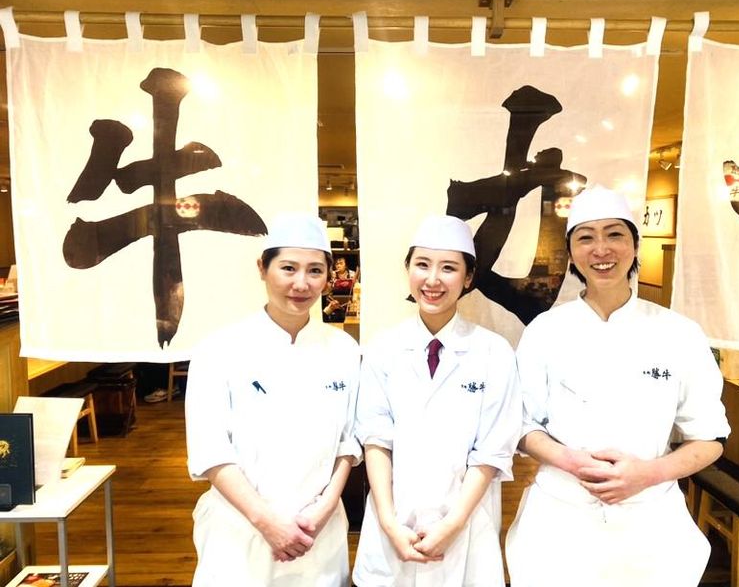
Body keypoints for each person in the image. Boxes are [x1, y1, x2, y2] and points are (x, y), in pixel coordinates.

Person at [505, 186, 731, 587]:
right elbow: (522, 426)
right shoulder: (545, 331)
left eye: (614, 234)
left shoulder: (679, 333)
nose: (601, 249)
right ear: (571, 251)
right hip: (558, 521)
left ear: (634, 244)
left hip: (651, 525)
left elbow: (710, 437)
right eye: (586, 237)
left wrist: (648, 473)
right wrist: (572, 461)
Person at [184, 212, 360, 587]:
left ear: (329, 277)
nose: (301, 283)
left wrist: (324, 509)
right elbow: (210, 450)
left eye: (315, 271)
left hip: (317, 534)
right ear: (262, 268)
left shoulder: (344, 350)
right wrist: (267, 522)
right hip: (240, 533)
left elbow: (348, 442)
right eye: (288, 268)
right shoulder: (220, 349)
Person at [352, 215, 521, 587]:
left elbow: (492, 451)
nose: (432, 280)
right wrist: (389, 522)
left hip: (465, 531)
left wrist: (451, 525)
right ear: (408, 270)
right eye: (422, 264)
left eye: (448, 268)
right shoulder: (383, 348)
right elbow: (376, 439)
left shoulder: (494, 353)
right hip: (393, 525)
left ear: (468, 277)